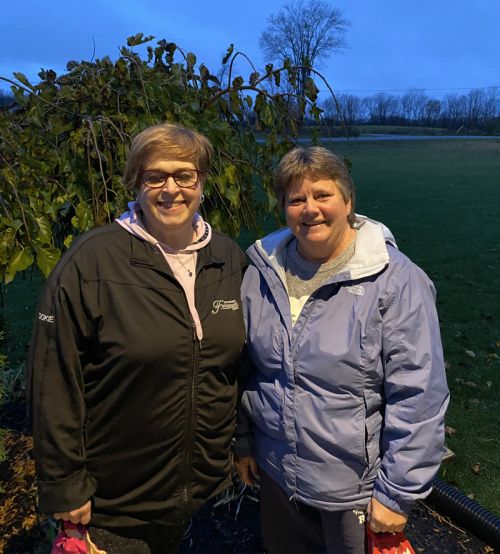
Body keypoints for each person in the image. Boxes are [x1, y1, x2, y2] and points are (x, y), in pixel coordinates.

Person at [27, 123, 247, 553]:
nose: (171, 189)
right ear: (135, 182)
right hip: (113, 505)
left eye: (185, 175)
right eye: (155, 176)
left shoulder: (227, 258)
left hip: (199, 494)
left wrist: (244, 443)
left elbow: (241, 366)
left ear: (201, 181)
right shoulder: (92, 262)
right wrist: (65, 484)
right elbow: (53, 381)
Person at [235, 146, 449, 554]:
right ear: (284, 209)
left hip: (351, 491)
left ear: (348, 201)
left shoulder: (395, 282)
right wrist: (244, 442)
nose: (309, 208)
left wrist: (396, 493)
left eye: (322, 195)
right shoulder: (262, 274)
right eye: (296, 199)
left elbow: (420, 396)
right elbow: (247, 368)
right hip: (278, 476)